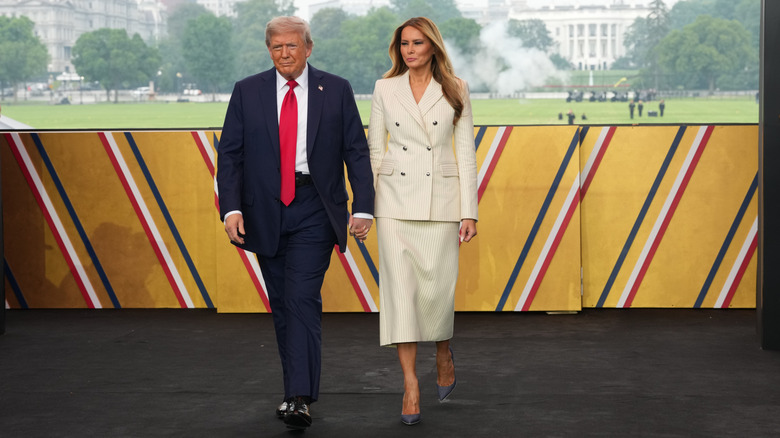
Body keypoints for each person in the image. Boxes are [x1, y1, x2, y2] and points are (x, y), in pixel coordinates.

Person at [216, 16, 375, 430]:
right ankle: (295, 391)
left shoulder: (335, 88)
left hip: (315, 209)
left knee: (302, 298)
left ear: (308, 47)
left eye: (292, 46)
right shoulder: (246, 91)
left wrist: (363, 207)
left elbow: (356, 150)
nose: (284, 54)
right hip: (263, 212)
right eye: (276, 47)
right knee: (284, 304)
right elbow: (230, 155)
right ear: (268, 50)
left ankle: (298, 397)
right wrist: (230, 209)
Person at [367, 16, 478, 426]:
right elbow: (375, 149)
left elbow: (464, 152)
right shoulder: (383, 88)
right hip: (394, 203)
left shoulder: (456, 89)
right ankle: (410, 384)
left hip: (442, 203)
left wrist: (470, 210)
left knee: (436, 295)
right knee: (401, 297)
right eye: (404, 44)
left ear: (432, 46)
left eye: (417, 43)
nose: (410, 50)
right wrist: (369, 204)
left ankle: (443, 351)